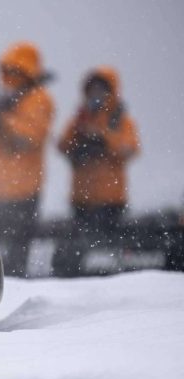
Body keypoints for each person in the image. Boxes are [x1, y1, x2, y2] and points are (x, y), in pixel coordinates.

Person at [0, 42, 54, 276]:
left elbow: (29, 138)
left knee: (16, 256)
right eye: (6, 71)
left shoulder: (39, 99)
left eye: (15, 71)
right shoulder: (4, 100)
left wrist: (0, 119)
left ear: (27, 72)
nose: (8, 77)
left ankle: (16, 295)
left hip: (23, 192)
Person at [54, 66, 140, 274]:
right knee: (80, 250)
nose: (96, 94)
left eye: (101, 89)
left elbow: (130, 149)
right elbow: (62, 145)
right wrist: (79, 139)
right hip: (81, 200)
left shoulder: (120, 120)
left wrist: (103, 139)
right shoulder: (80, 119)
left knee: (108, 250)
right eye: (92, 89)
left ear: (111, 91)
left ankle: (110, 284)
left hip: (111, 200)